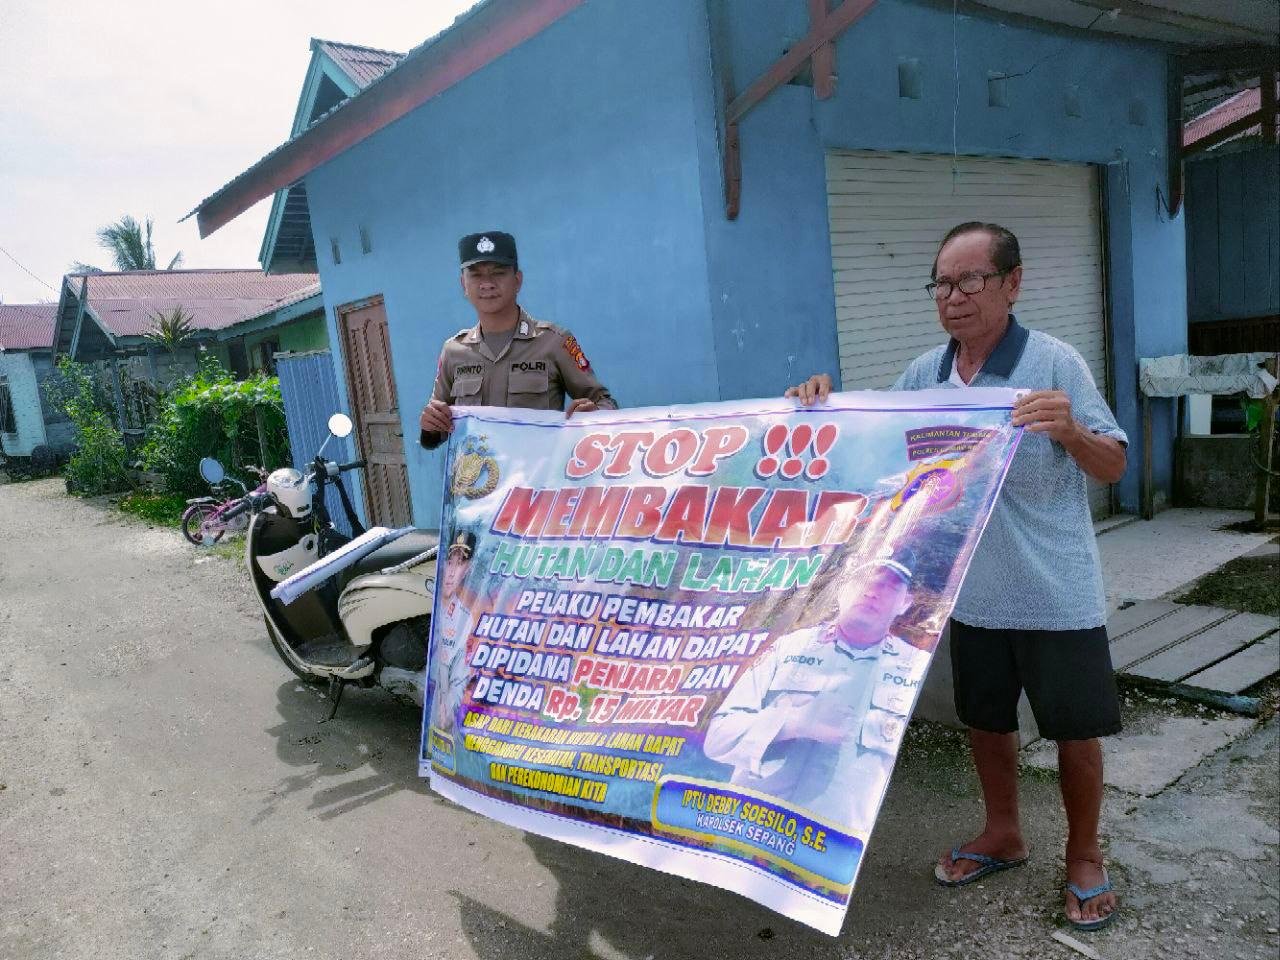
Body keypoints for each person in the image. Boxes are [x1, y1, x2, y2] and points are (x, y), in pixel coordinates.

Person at [785, 222, 1127, 932]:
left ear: (1012, 283)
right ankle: (1003, 833)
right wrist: (821, 404)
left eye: (970, 280)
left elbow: (1114, 465)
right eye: (942, 283)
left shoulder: (1054, 363)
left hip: (1055, 593)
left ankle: (1085, 853)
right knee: (985, 721)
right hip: (969, 596)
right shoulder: (925, 377)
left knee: (1076, 733)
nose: (953, 296)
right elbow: (876, 446)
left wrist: (1071, 432)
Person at [703, 549, 916, 828]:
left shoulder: (914, 669)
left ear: (905, 602)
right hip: (748, 827)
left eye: (889, 586)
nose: (872, 592)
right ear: (843, 587)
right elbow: (717, 738)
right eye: (864, 579)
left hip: (833, 842)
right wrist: (794, 723)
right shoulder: (789, 646)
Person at [419, 231, 617, 449]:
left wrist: (595, 413)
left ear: (518, 280)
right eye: (476, 275)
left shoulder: (554, 341)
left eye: (498, 273)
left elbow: (604, 401)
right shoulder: (453, 350)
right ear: (463, 284)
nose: (487, 284)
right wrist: (430, 425)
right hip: (476, 470)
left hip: (539, 469)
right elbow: (436, 426)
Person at [429, 529, 479, 735]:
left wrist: (447, 709)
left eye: (459, 564)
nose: (451, 572)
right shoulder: (429, 598)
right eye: (449, 562)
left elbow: (459, 677)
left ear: (468, 569)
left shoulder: (464, 619)